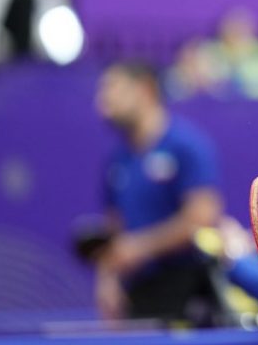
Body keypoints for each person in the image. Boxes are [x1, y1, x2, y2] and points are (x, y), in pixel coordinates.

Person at [94, 61, 226, 326]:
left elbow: (203, 217)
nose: (102, 101)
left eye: (113, 89)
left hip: (186, 290)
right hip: (138, 294)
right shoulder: (118, 160)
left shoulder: (186, 146)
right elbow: (115, 227)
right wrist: (108, 278)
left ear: (145, 90)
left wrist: (140, 247)